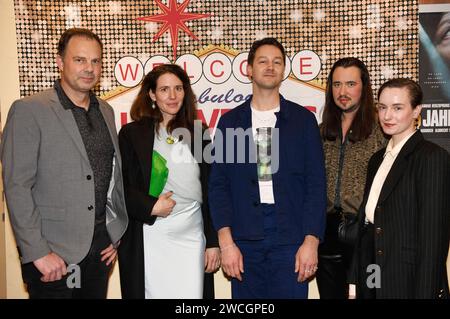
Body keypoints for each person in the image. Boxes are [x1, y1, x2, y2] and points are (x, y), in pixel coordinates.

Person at [0, 28, 128, 299]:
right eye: (80, 60)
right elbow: (17, 186)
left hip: (99, 253)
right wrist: (37, 252)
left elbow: (113, 178)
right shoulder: (29, 110)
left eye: (95, 61)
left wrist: (114, 233)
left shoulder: (105, 110)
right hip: (53, 256)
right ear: (60, 62)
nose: (89, 68)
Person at [208, 37, 326, 299]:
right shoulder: (230, 123)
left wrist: (311, 240)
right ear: (249, 69)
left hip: (291, 236)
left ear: (284, 70)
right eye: (262, 61)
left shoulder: (303, 121)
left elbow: (316, 185)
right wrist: (226, 243)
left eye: (277, 62)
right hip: (244, 236)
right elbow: (219, 186)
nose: (270, 67)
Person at [117, 64, 220, 299]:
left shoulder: (199, 133)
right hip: (152, 233)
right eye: (164, 89)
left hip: (192, 233)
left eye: (178, 88)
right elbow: (121, 186)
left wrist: (213, 242)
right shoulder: (131, 134)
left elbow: (211, 189)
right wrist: (150, 206)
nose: (172, 96)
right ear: (152, 94)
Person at [349, 78, 450, 299]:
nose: (387, 116)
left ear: (416, 111)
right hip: (372, 271)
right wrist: (355, 282)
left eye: (397, 108)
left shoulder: (432, 157)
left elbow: (434, 239)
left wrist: (426, 293)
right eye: (382, 107)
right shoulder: (377, 159)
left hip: (409, 279)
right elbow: (366, 224)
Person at [316, 57, 386, 299]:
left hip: (366, 235)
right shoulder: (321, 131)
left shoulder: (382, 130)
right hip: (326, 237)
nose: (342, 92)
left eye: (350, 84)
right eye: (336, 85)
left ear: (364, 87)